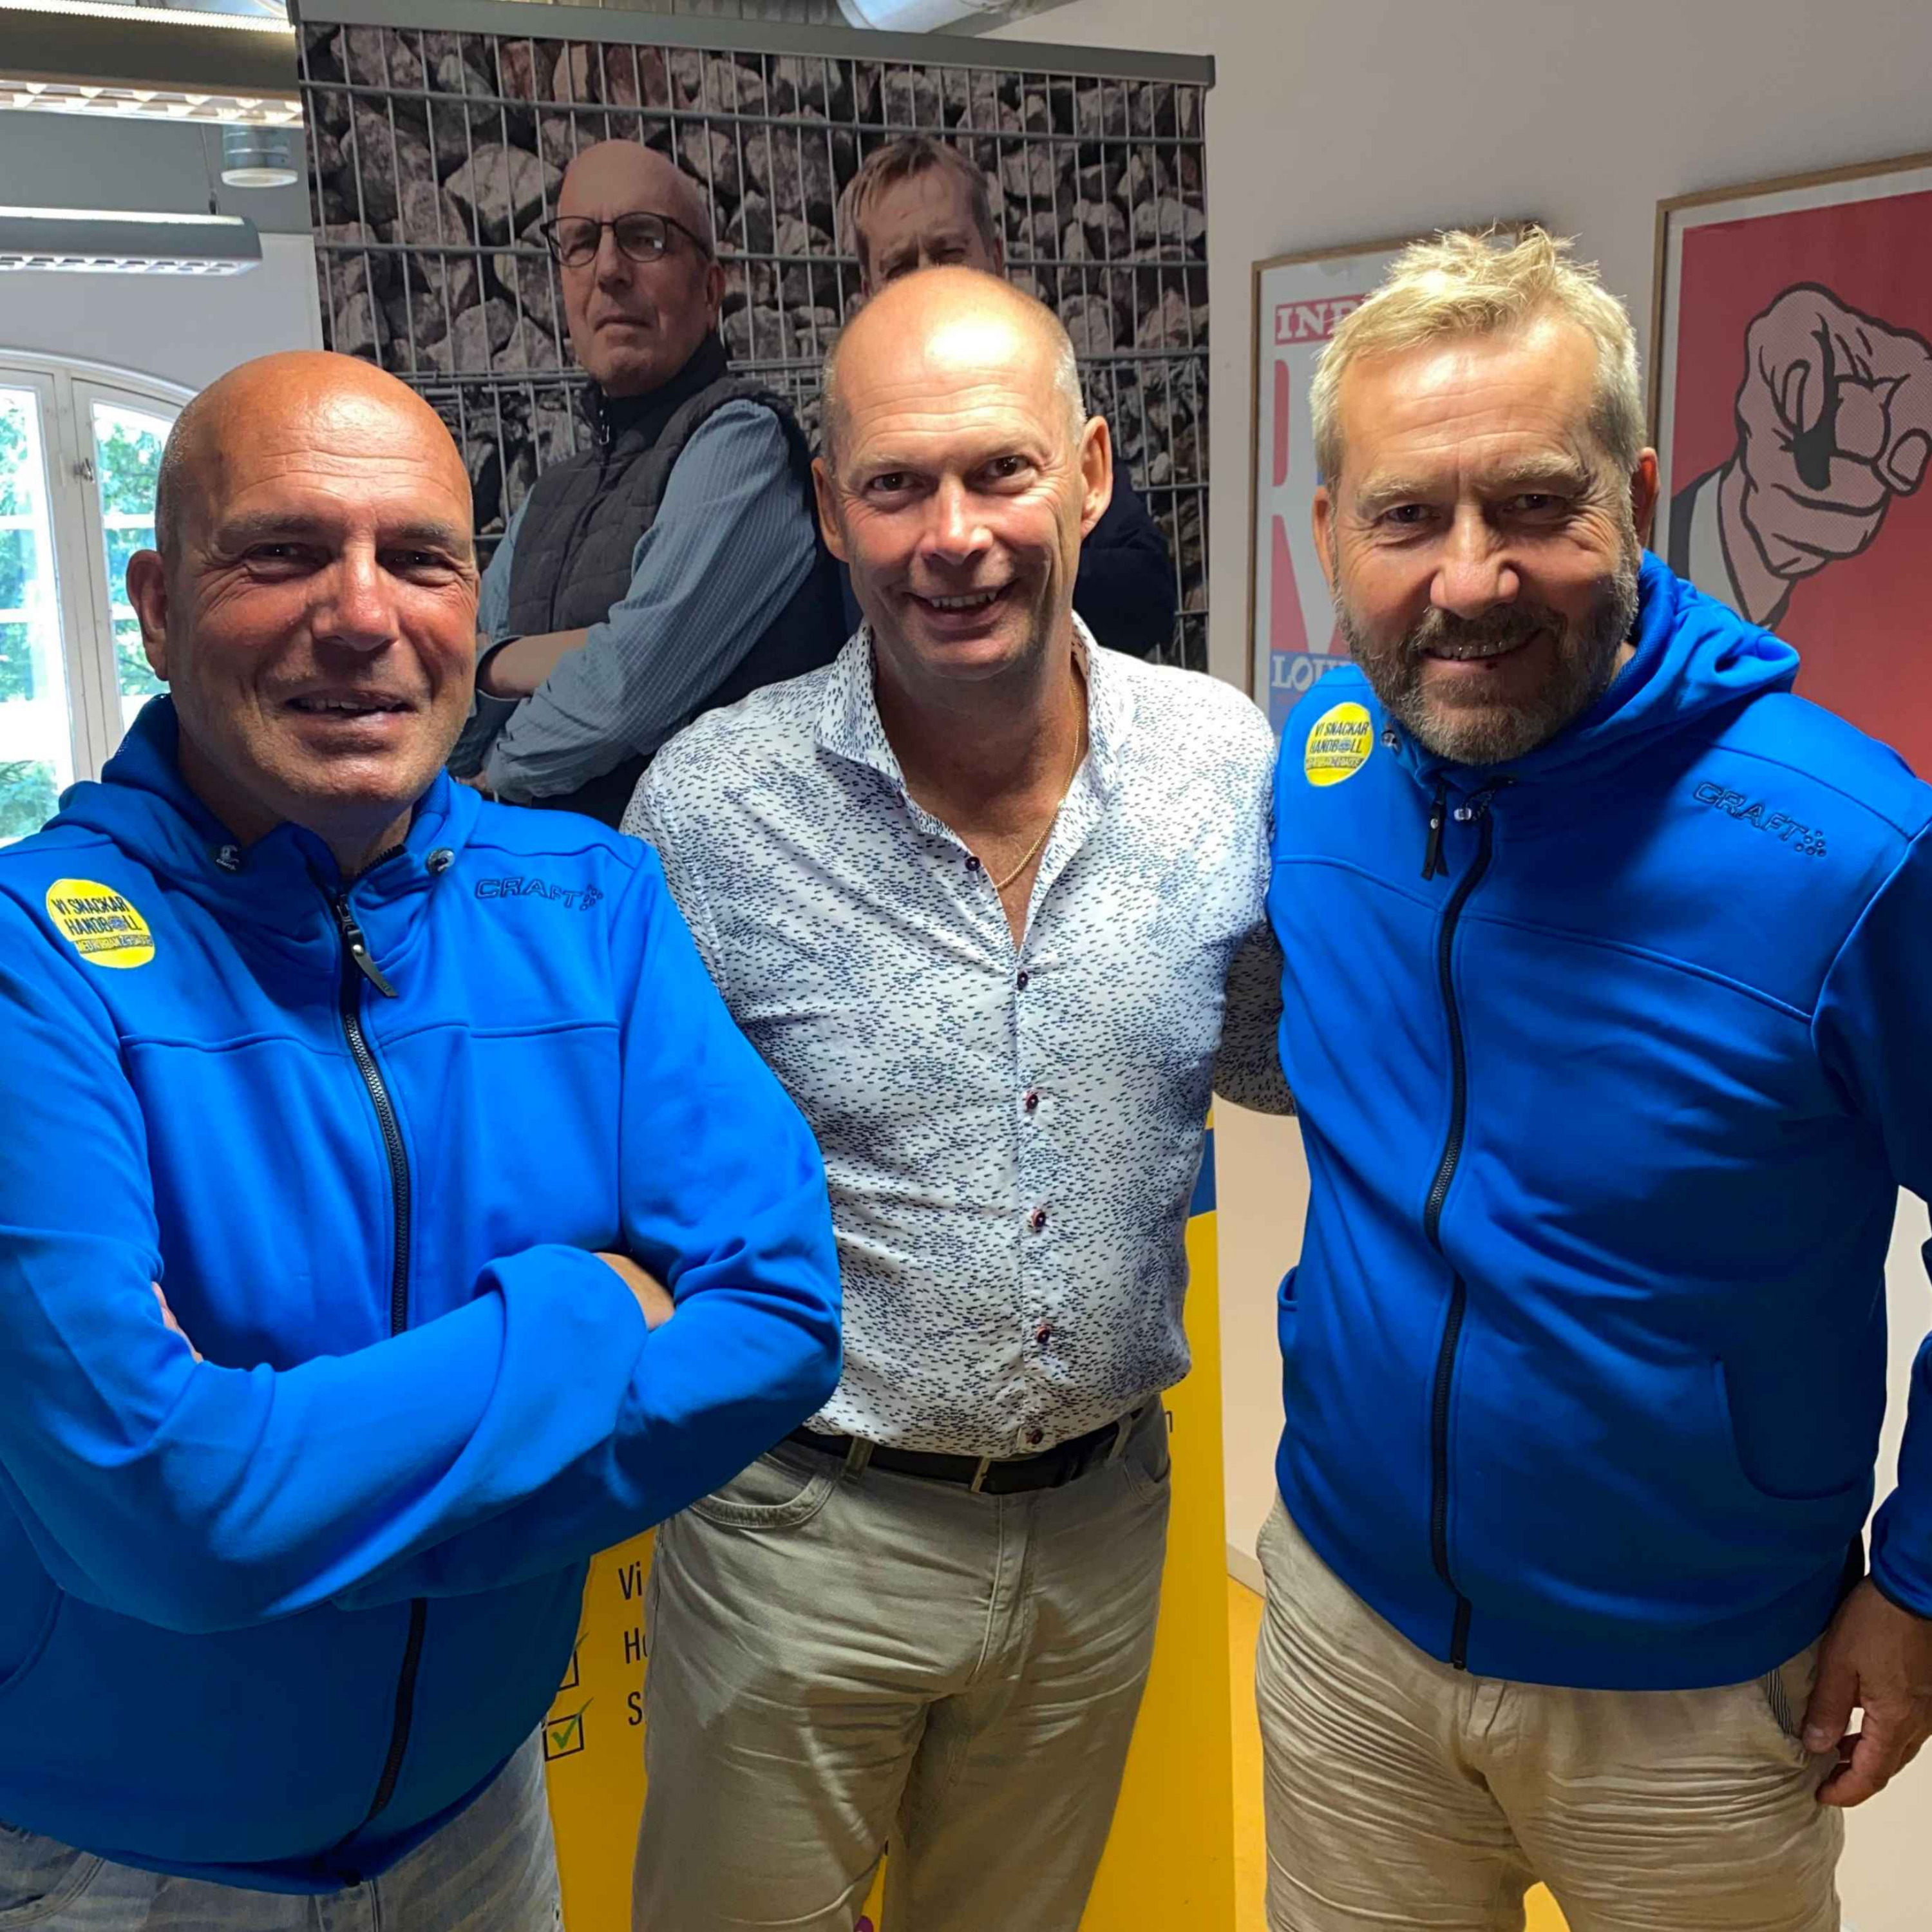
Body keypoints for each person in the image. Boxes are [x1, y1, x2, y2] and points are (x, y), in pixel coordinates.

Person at [0, 350, 841, 1927]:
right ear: (158, 604)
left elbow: (782, 1320)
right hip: (119, 1862)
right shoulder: (31, 962)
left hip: (478, 1818)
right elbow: (165, 1515)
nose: (361, 613)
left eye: (420, 558)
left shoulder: (589, 902)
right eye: (282, 552)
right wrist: (594, 1309)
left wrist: (285, 1467)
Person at [1258, 228, 1932, 1931]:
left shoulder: (1852, 851)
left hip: (1693, 1698)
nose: (1471, 579)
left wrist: (1923, 1582)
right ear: (1329, 533)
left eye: (1535, 506)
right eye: (1407, 516)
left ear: (1634, 499)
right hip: (1345, 1632)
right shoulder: (1323, 768)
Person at [623, 267, 1285, 1931]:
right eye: (896, 485)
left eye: (1000, 471)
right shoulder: (713, 807)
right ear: (830, 511)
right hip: (800, 1534)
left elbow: (1282, 1055)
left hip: (1100, 1535)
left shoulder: (1224, 765)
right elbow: (621, 1174)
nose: (955, 536)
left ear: (1090, 472)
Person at [450, 138, 847, 822]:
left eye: (644, 238)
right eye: (581, 242)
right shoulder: (549, 496)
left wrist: (494, 750)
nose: (609, 270)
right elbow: (446, 697)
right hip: (545, 874)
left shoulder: (743, 444)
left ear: (710, 288)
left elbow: (627, 690)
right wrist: (514, 666)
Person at [837, 135, 1179, 658]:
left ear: (995, 259)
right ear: (868, 290)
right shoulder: (853, 439)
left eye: (949, 254)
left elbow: (1144, 592)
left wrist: (1008, 578)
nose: (930, 281)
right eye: (901, 266)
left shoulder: (1044, 406)